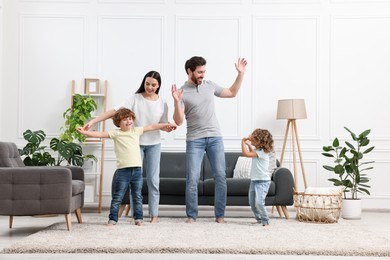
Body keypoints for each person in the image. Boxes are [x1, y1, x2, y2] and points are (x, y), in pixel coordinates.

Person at [82, 71, 174, 223]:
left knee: (153, 180)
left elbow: (161, 123)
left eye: (153, 85)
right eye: (147, 84)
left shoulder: (162, 102)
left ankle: (154, 215)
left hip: (154, 144)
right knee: (134, 181)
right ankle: (136, 215)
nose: (150, 87)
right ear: (144, 83)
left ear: (158, 86)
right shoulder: (135, 98)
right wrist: (94, 121)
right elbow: (114, 111)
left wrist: (167, 127)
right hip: (135, 144)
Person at [171, 56, 247, 223]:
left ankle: (220, 215)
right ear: (189, 71)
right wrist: (177, 102)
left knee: (220, 176)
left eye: (204, 71)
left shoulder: (210, 85)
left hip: (215, 138)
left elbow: (232, 93)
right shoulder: (182, 92)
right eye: (199, 72)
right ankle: (192, 216)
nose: (202, 75)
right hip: (194, 140)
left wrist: (240, 74)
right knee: (192, 178)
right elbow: (178, 121)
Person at [241, 128, 274, 227]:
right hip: (254, 181)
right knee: (252, 203)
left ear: (260, 141)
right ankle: (259, 219)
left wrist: (242, 142)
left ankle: (265, 220)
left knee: (259, 203)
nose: (251, 139)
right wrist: (249, 145)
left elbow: (246, 154)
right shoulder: (258, 151)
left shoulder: (263, 152)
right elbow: (251, 152)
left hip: (263, 182)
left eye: (254, 139)